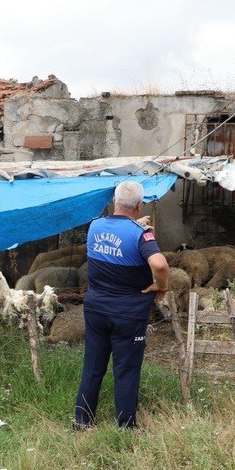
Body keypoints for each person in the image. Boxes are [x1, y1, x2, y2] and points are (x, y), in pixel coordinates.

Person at [75, 180, 170, 429]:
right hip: (128, 313)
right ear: (139, 206)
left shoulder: (95, 226)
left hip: (95, 309)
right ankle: (126, 426)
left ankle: (82, 421)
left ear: (115, 202)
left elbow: (116, 235)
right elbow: (159, 265)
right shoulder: (142, 236)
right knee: (126, 370)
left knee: (93, 366)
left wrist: (136, 228)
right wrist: (161, 286)